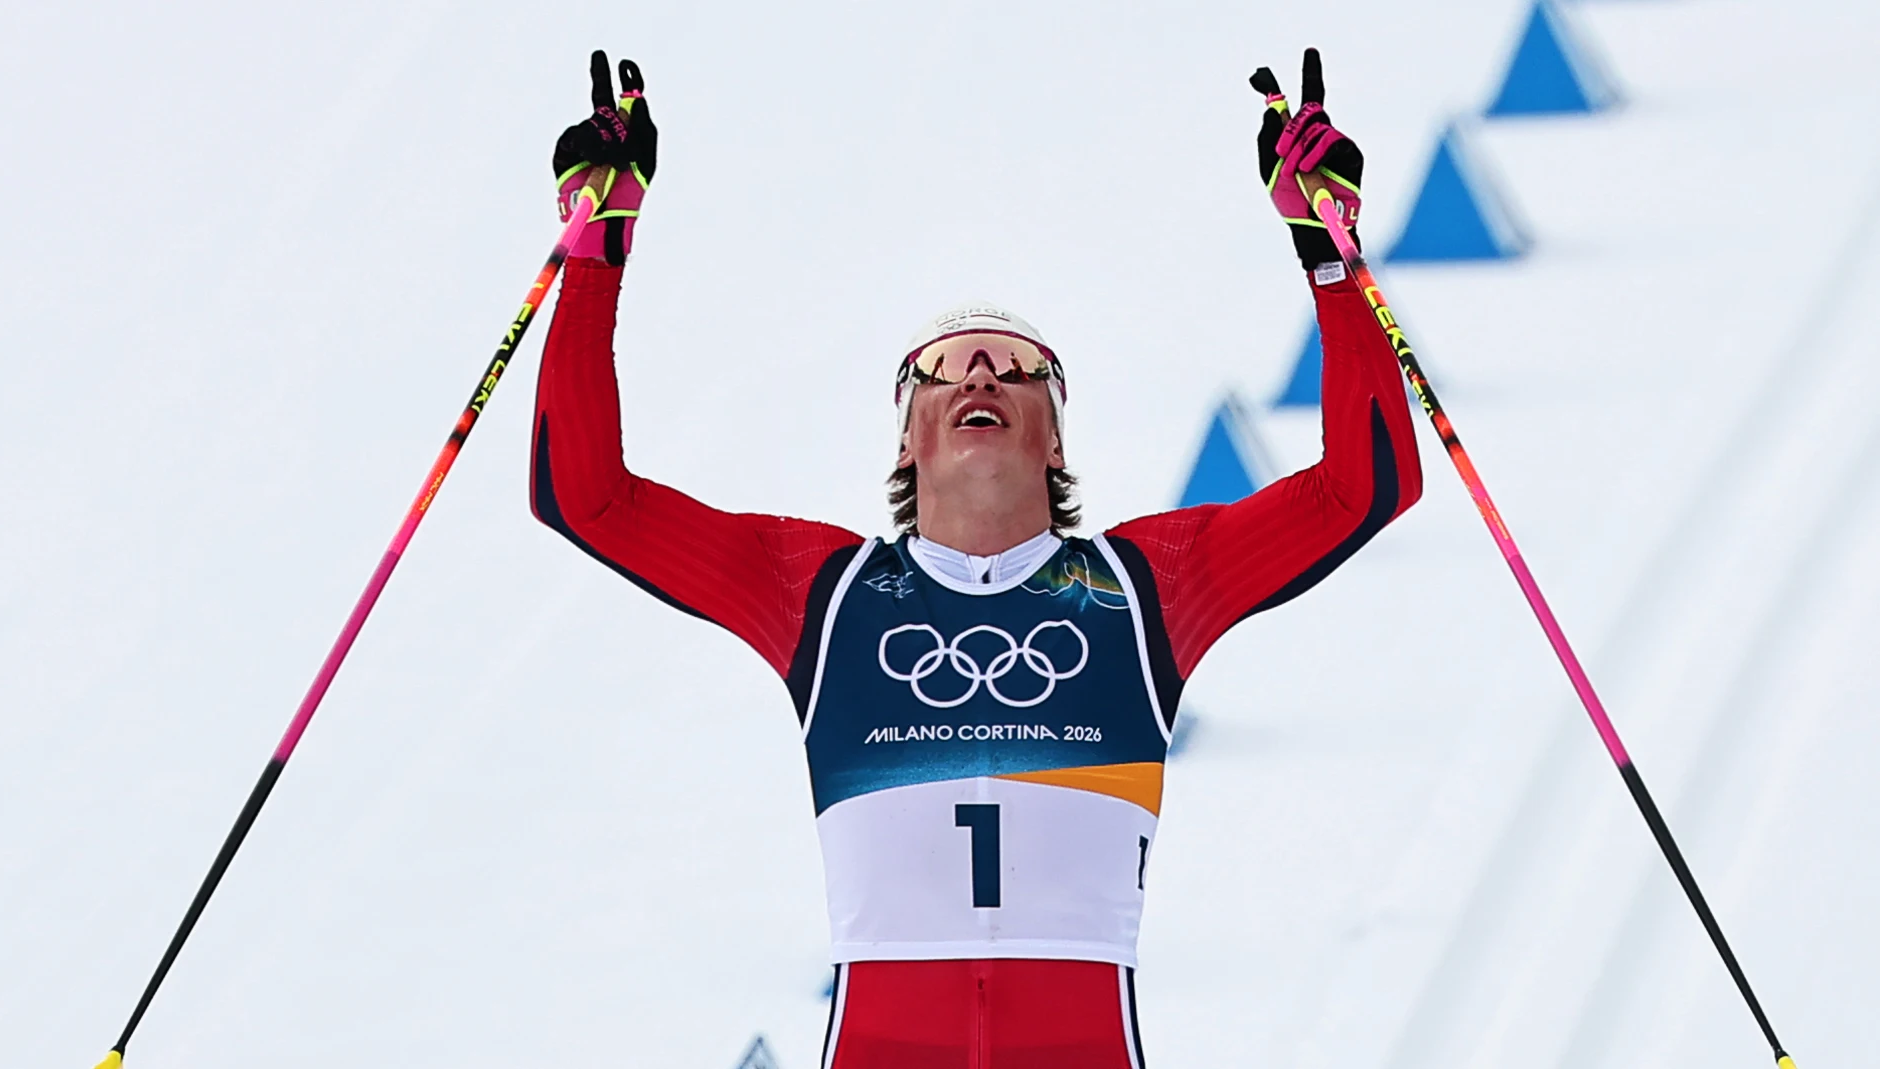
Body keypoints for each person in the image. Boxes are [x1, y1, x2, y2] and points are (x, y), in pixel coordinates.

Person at [531, 48, 1421, 1069]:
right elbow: (586, 494)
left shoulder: (1143, 589)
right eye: (941, 368)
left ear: (1053, 436)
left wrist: (1329, 255)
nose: (980, 370)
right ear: (906, 437)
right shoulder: (821, 596)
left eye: (1015, 362)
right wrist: (594, 254)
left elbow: (1366, 484)